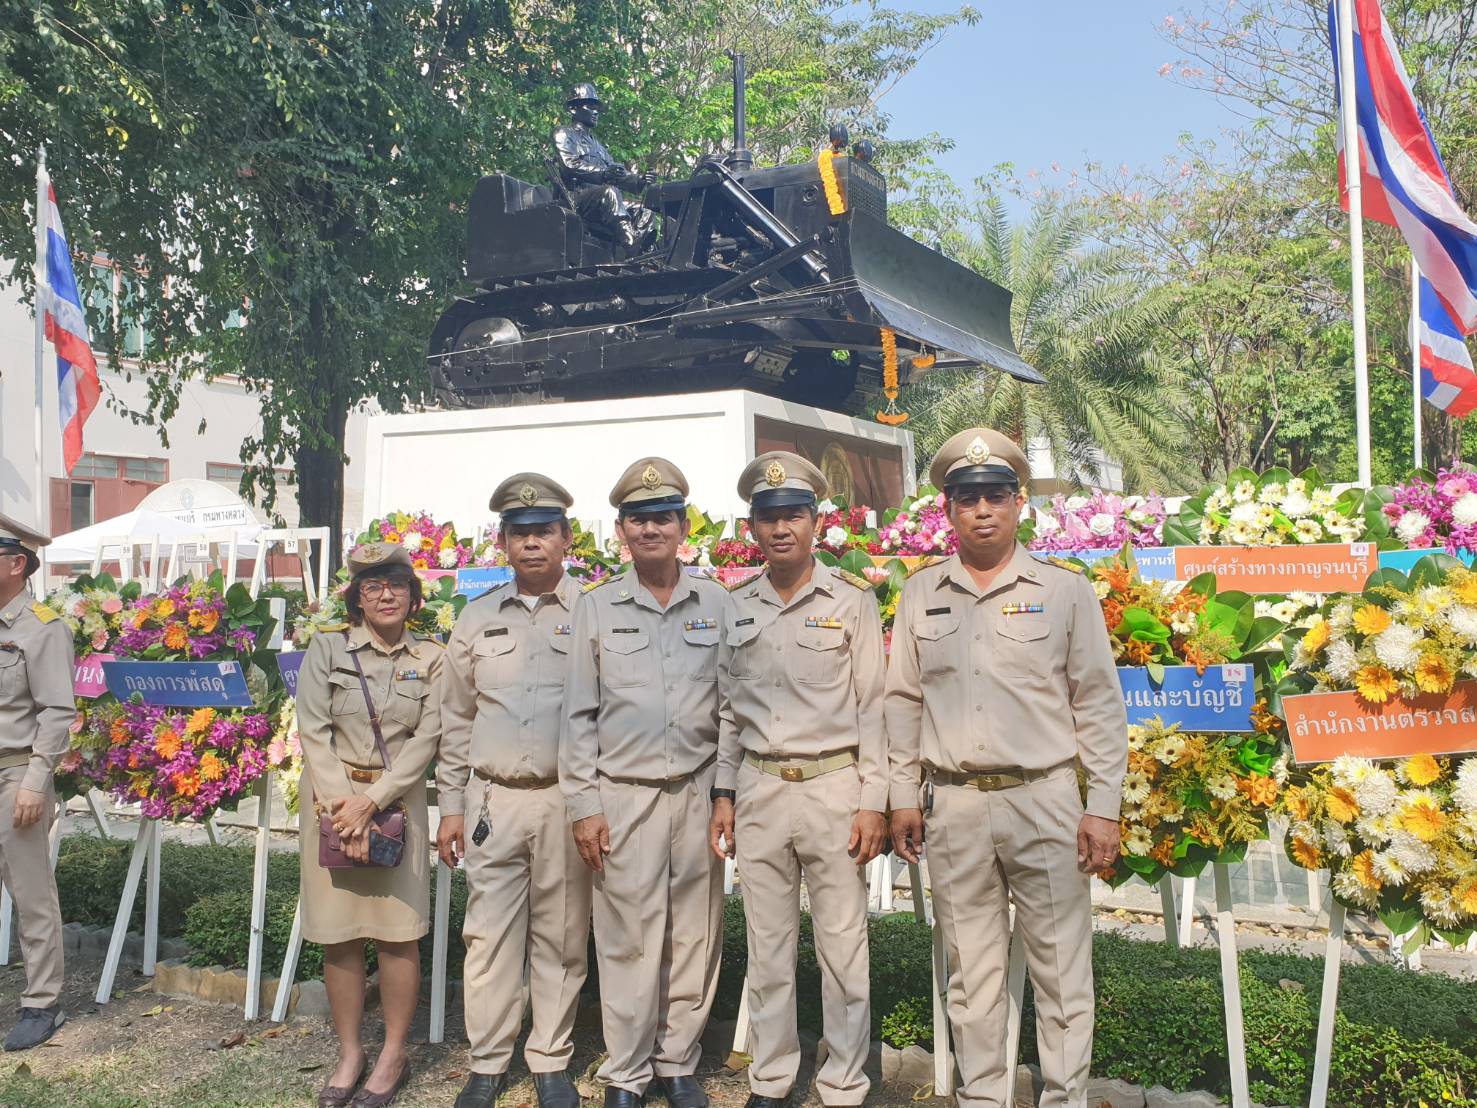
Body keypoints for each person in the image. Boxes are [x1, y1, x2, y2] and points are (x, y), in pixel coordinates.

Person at [884, 428, 1127, 1108]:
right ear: (948, 510)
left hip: (1043, 800)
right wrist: (901, 795)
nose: (982, 510)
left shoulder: (1064, 591)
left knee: (1061, 973)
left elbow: (1098, 705)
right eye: (967, 498)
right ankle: (983, 1098)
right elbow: (901, 702)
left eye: (995, 495)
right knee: (971, 976)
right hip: (954, 805)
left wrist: (1102, 807)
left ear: (1020, 503)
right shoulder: (920, 593)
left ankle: (1064, 1099)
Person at [707, 453, 887, 1108]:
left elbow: (874, 709)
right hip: (759, 788)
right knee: (768, 948)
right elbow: (728, 711)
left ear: (815, 522)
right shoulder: (736, 606)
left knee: (843, 949)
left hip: (833, 787)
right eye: (768, 516)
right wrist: (723, 793)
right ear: (752, 526)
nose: (780, 528)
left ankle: (843, 1082)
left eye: (793, 515)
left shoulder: (851, 600)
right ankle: (771, 1077)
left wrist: (874, 801)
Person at [560, 457, 726, 1108]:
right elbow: (577, 715)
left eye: (662, 517)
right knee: (627, 938)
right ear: (621, 530)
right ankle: (627, 1072)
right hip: (623, 795)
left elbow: (732, 708)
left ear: (683, 526)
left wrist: (725, 794)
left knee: (694, 934)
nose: (650, 529)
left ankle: (677, 1061)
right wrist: (584, 805)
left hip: (696, 790)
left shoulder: (716, 603)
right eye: (638, 519)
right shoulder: (597, 608)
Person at [438, 473, 591, 1108]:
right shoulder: (476, 619)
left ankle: (551, 1058)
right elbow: (456, 718)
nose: (532, 543)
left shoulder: (594, 613)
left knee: (562, 933)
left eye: (543, 531)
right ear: (502, 541)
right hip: (493, 801)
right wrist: (451, 806)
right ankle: (487, 1061)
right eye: (519, 533)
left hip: (566, 799)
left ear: (566, 537)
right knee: (488, 934)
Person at [296, 542, 445, 1108]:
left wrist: (373, 801)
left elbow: (427, 738)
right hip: (330, 804)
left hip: (397, 805)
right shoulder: (328, 647)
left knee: (397, 933)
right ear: (357, 598)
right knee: (340, 935)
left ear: (413, 596)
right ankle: (350, 1052)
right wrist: (345, 806)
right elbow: (313, 729)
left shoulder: (432, 657)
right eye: (373, 586)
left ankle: (393, 1055)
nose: (386, 596)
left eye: (397, 585)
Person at [0, 515, 72, 1052]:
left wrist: (35, 781)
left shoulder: (42, 627)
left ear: (15, 563)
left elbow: (57, 711)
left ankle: (42, 1002)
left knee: (29, 891)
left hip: (16, 771)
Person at [552, 82, 658, 253]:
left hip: (601, 200)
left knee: (644, 208)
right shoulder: (564, 133)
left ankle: (641, 250)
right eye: (590, 106)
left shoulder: (599, 147)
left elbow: (617, 173)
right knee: (610, 193)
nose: (595, 112)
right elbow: (569, 165)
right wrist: (603, 173)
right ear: (573, 109)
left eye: (597, 108)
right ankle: (631, 242)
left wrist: (640, 180)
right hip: (577, 197)